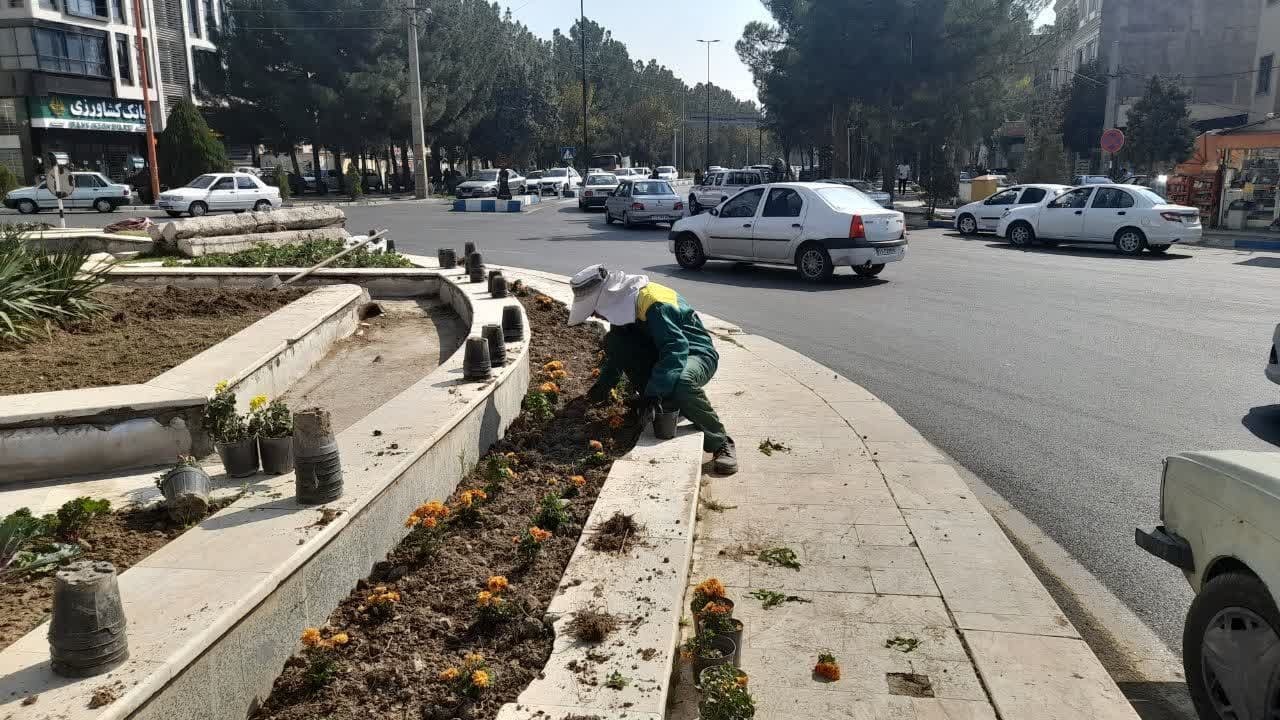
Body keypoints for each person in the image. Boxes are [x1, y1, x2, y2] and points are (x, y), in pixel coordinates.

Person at [569, 264, 737, 475]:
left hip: (695, 353)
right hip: (663, 353)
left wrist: (652, 393)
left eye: (594, 310)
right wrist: (599, 392)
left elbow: (676, 349)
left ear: (605, 300)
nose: (595, 316)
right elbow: (618, 356)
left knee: (682, 382)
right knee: (616, 342)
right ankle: (668, 403)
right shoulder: (622, 306)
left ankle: (720, 441)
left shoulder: (654, 303)